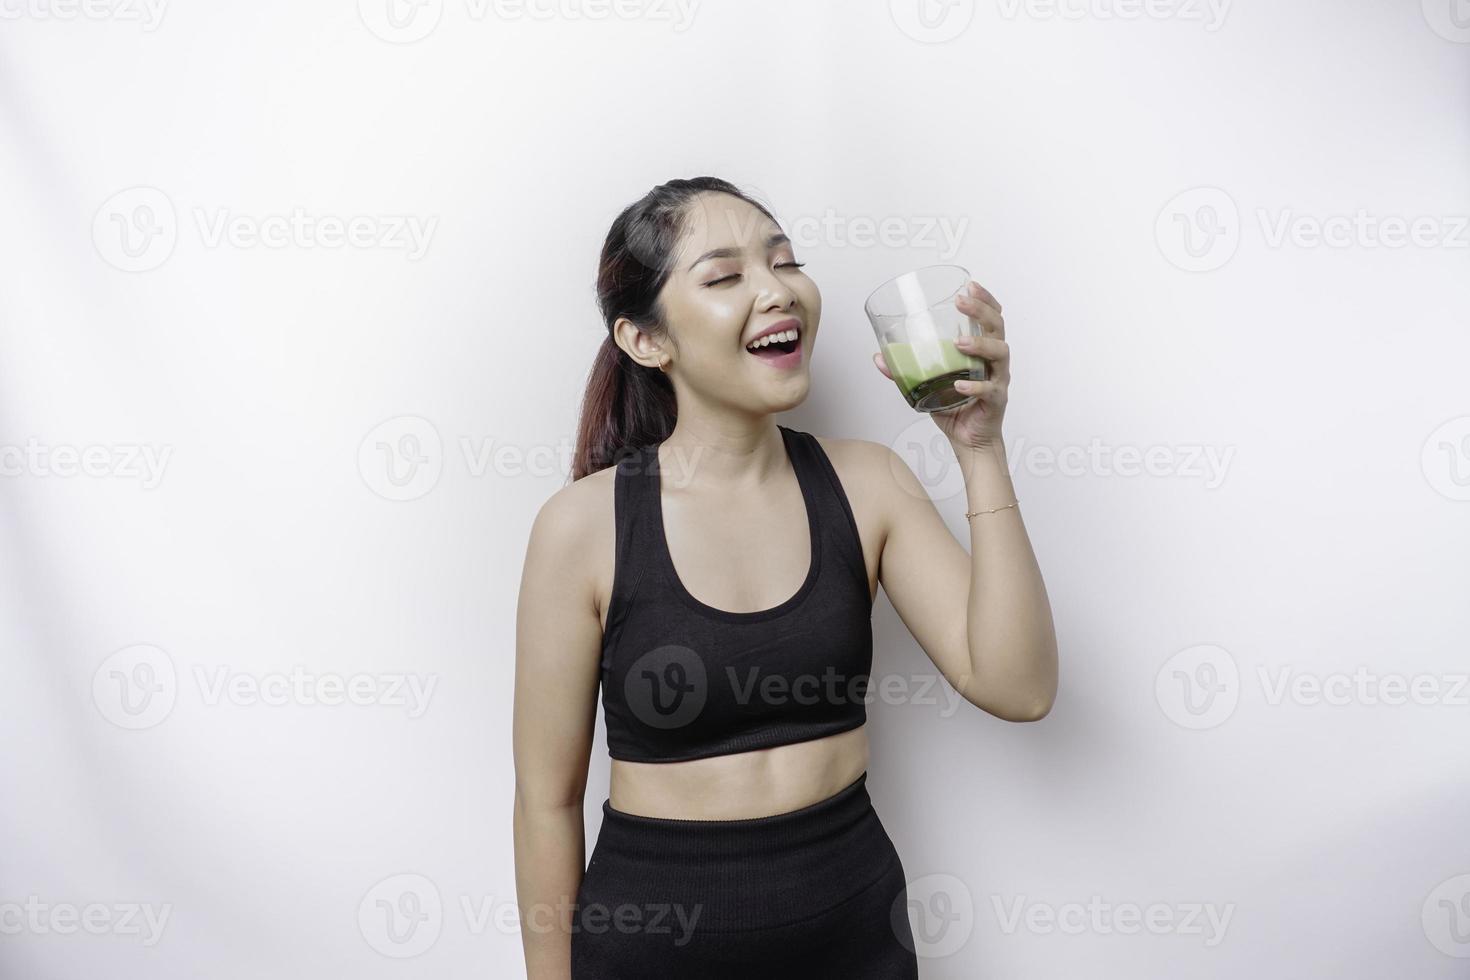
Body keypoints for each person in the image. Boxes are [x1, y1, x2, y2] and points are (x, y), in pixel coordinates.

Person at [513, 176, 1058, 978]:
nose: (778, 291)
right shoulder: (583, 528)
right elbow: (546, 805)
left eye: (786, 262)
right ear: (645, 340)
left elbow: (1020, 687)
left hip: (855, 937)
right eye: (725, 276)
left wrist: (978, 450)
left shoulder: (870, 486)